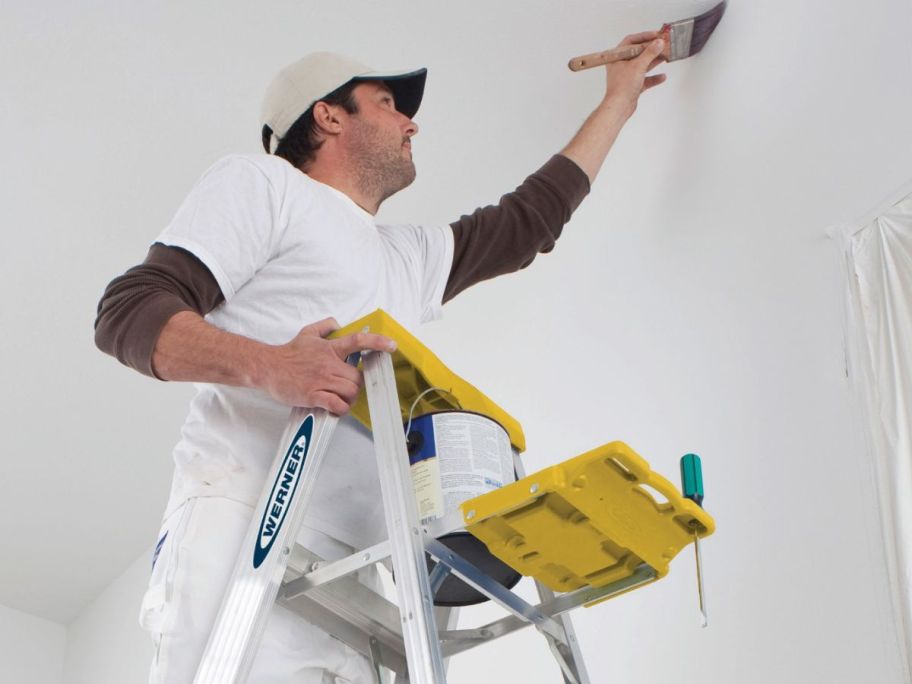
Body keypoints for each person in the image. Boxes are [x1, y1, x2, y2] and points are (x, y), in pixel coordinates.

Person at [95, 35, 667, 684]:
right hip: (245, 519)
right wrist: (275, 367)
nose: (410, 120)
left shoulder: (406, 256)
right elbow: (129, 312)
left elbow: (528, 222)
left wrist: (620, 99)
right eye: (388, 102)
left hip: (352, 565)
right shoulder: (263, 184)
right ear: (329, 115)